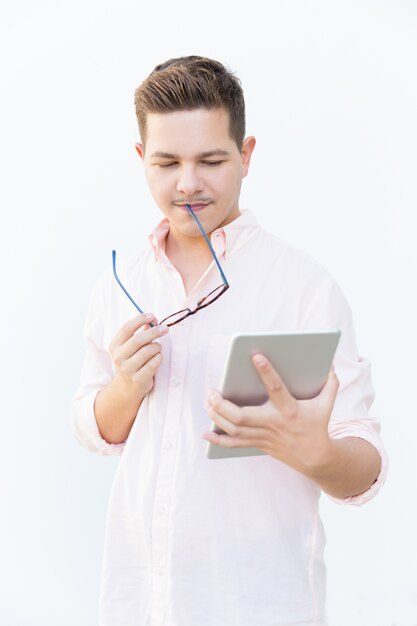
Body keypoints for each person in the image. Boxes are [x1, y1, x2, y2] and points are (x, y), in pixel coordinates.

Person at [70, 56, 387, 626]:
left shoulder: (304, 287)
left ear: (246, 157)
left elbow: (365, 467)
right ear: (142, 160)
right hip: (140, 600)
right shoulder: (121, 283)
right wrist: (125, 388)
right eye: (167, 162)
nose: (188, 182)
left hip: (260, 604)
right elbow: (95, 430)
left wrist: (318, 453)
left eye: (211, 160)